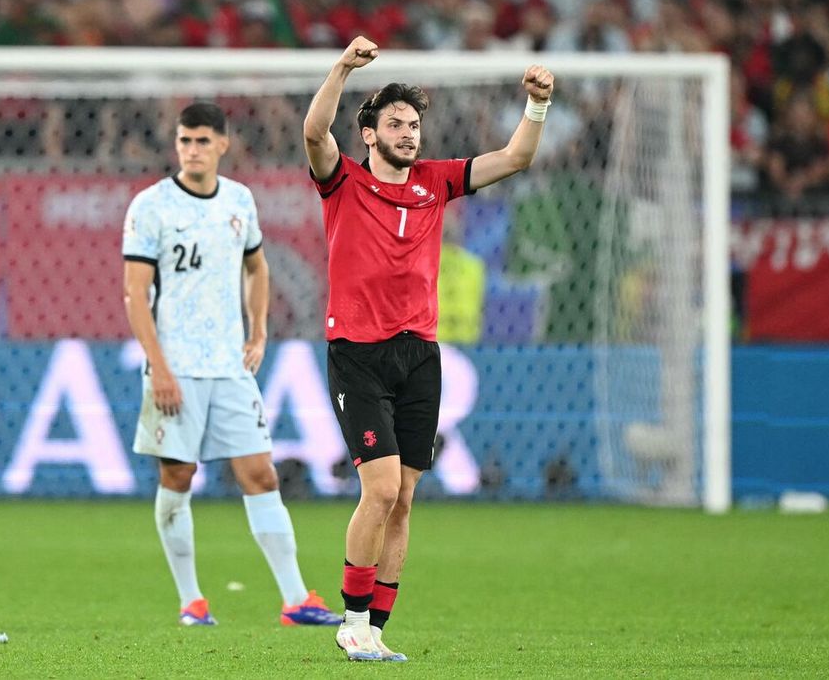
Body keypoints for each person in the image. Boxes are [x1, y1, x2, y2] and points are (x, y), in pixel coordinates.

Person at [303, 36, 554, 661]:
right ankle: (351, 619)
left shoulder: (435, 183)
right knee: (380, 489)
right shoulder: (343, 182)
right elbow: (313, 131)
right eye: (395, 123)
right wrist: (341, 68)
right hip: (357, 353)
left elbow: (516, 157)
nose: (409, 134)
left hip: (420, 355)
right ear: (368, 132)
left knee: (406, 497)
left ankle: (376, 631)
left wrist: (538, 105)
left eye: (414, 125)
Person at [122, 101, 342, 629]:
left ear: (224, 144)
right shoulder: (150, 207)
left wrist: (259, 329)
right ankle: (191, 601)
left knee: (260, 474)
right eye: (184, 141)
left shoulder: (239, 201)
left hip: (228, 366)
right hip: (174, 366)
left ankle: (296, 601)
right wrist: (160, 367)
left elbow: (257, 268)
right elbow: (135, 294)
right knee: (178, 474)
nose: (192, 150)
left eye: (202, 141)